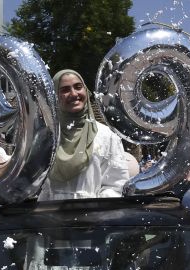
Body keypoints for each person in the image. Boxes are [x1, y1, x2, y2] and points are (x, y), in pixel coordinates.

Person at [38, 69, 129, 200]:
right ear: (55, 97)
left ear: (86, 90)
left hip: (92, 215)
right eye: (64, 90)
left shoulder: (106, 136)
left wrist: (95, 211)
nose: (74, 94)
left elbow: (116, 184)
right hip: (50, 214)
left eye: (78, 87)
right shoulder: (47, 137)